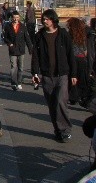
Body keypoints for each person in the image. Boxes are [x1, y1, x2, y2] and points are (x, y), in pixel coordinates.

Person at [31, 8, 77, 142]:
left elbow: (70, 55)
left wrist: (73, 74)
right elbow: (36, 56)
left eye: (47, 19)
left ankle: (65, 130)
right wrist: (35, 73)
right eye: (43, 19)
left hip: (62, 74)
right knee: (52, 104)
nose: (44, 21)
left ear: (53, 20)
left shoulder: (63, 34)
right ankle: (58, 129)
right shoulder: (39, 36)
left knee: (61, 102)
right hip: (47, 75)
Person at [2, 11, 32, 90]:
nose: (16, 19)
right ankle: (13, 83)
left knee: (20, 67)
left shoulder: (22, 26)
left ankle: (19, 82)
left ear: (19, 18)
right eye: (14, 18)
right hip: (12, 49)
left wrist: (30, 49)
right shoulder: (8, 26)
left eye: (17, 17)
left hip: (21, 49)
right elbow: (5, 37)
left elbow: (27, 38)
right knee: (13, 66)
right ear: (12, 18)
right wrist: (9, 43)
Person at [66, 17, 89, 106]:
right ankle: (81, 95)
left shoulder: (69, 35)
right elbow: (85, 49)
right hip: (81, 58)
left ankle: (73, 97)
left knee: (72, 77)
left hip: (72, 59)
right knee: (81, 78)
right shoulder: (82, 35)